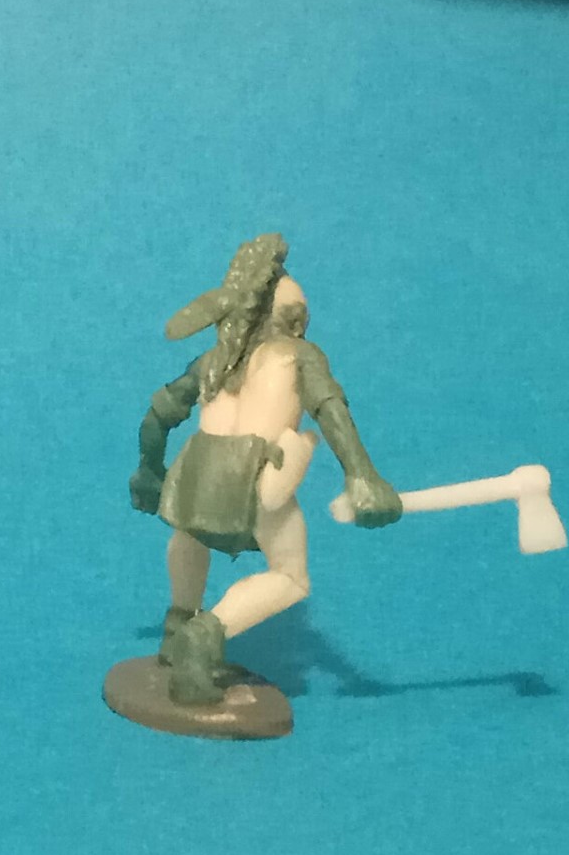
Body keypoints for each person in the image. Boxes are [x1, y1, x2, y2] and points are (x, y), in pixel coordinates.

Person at [129, 234, 401, 704]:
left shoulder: (212, 362)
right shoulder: (299, 355)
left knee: (189, 536)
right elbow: (330, 409)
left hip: (195, 474)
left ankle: (177, 626)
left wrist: (150, 470)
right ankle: (204, 636)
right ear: (294, 321)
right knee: (290, 576)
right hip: (254, 477)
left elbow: (157, 416)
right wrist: (361, 474)